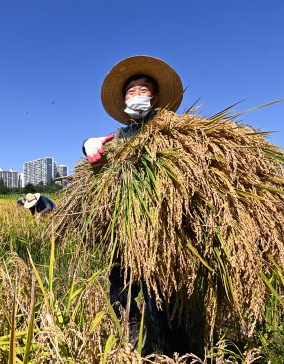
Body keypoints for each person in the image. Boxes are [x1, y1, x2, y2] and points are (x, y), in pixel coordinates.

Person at [84, 55, 202, 356]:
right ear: (124, 100)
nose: (137, 95)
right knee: (119, 295)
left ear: (157, 96)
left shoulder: (174, 131)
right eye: (131, 92)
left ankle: (171, 356)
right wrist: (88, 143)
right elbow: (96, 151)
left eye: (143, 90)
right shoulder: (121, 135)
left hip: (162, 231)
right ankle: (136, 348)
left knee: (159, 301)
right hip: (124, 232)